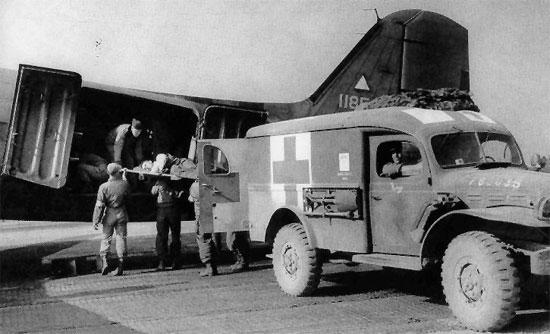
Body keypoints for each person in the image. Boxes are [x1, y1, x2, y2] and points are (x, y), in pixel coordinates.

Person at [189, 180, 250, 277]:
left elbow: (192, 197)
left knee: (204, 236)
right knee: (234, 229)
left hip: (205, 207)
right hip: (223, 198)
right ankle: (242, 260)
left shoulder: (197, 185)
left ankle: (210, 267)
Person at [92, 163, 131, 276]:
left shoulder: (103, 187)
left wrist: (96, 220)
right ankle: (121, 264)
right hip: (121, 213)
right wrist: (124, 177)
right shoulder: (125, 184)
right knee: (121, 238)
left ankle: (104, 262)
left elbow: (99, 205)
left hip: (109, 214)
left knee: (106, 238)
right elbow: (128, 195)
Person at [151, 177, 184, 271]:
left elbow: (153, 192)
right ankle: (175, 261)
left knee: (162, 235)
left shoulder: (158, 180)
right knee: (174, 235)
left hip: (163, 208)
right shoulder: (175, 178)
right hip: (172, 208)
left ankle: (162, 262)